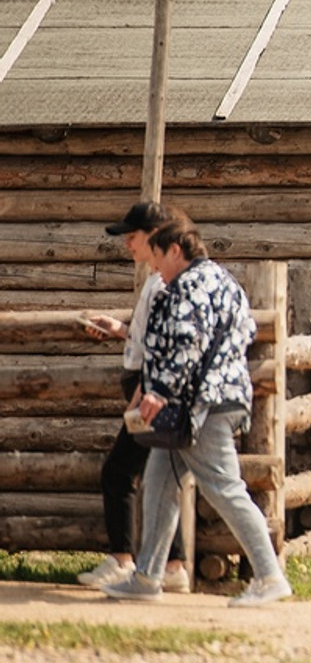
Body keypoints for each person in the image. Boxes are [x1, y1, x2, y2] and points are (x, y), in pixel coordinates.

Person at [101, 220, 290, 607]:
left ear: (175, 251)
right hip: (217, 398)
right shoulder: (225, 281)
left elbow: (187, 343)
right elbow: (245, 331)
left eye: (156, 257)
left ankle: (270, 576)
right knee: (159, 481)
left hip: (202, 404)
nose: (154, 267)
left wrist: (160, 391)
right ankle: (147, 577)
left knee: (224, 487)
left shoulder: (187, 285)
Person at [77, 202, 191, 595]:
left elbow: (162, 350)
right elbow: (149, 339)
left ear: (157, 235)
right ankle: (173, 565)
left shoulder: (165, 283)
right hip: (146, 385)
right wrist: (121, 329)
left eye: (133, 235)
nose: (127, 242)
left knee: (119, 472)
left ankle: (123, 559)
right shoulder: (156, 281)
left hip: (150, 390)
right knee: (160, 478)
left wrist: (140, 394)